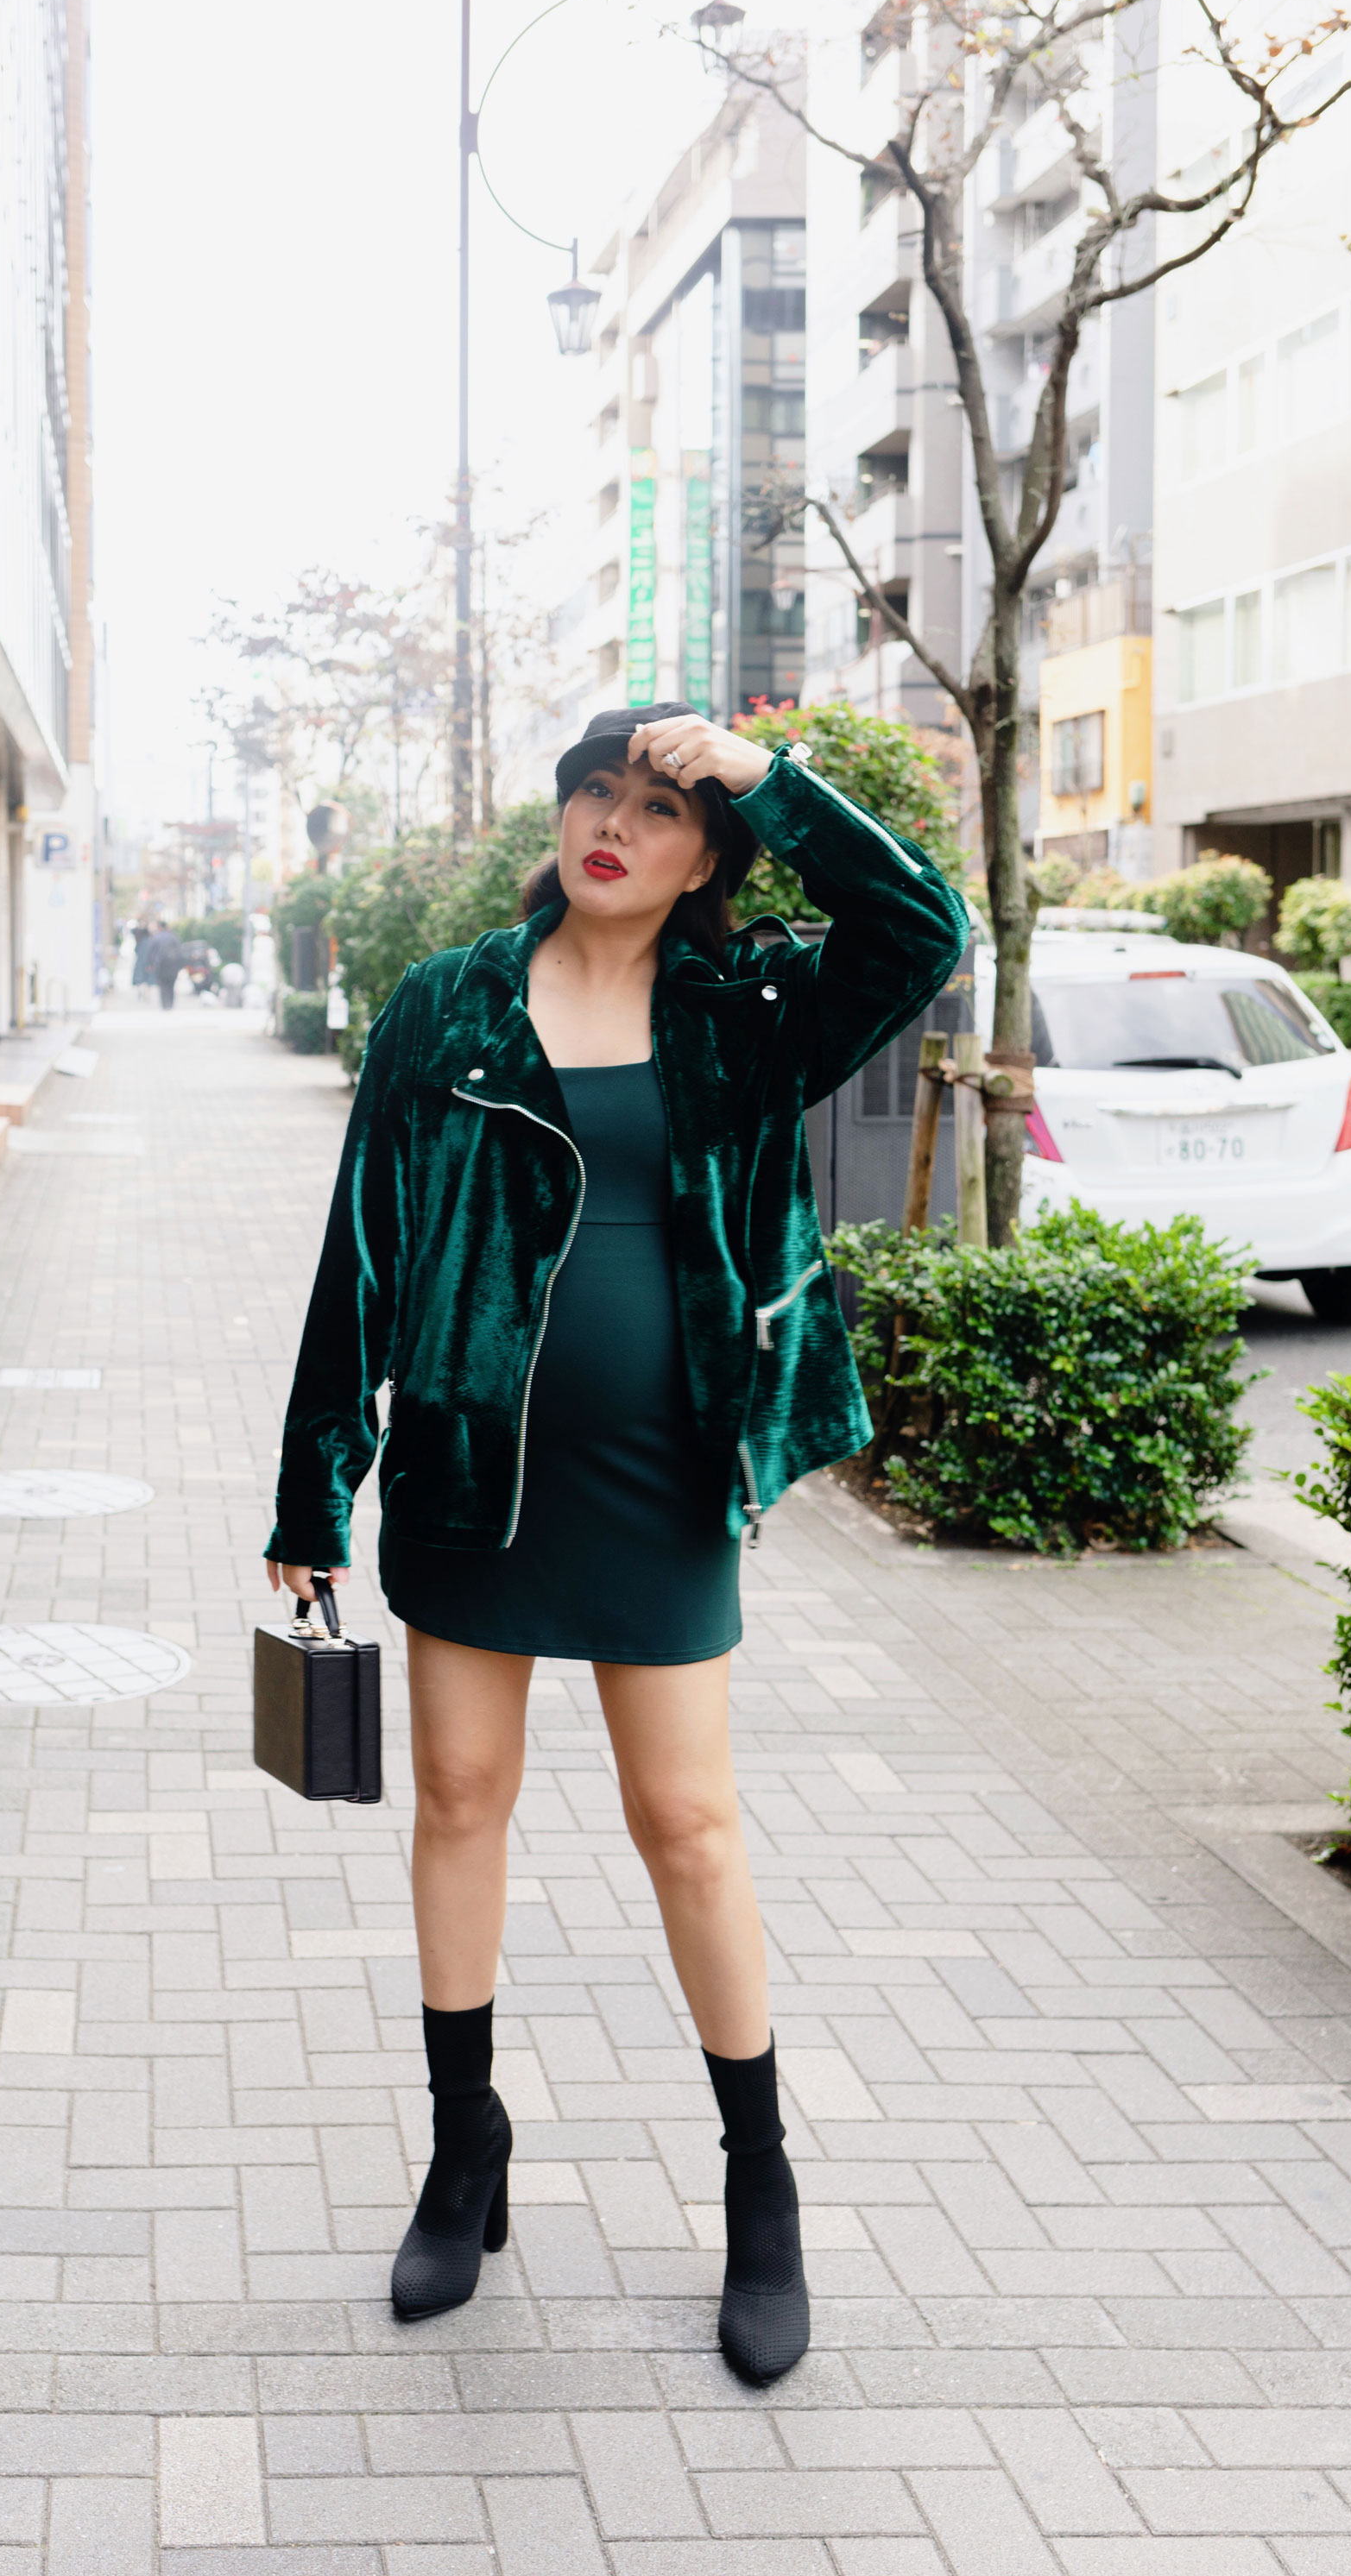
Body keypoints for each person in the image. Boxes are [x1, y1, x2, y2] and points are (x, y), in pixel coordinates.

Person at [266, 704, 968, 2384]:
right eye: (597, 794)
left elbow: (922, 930)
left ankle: (760, 2182)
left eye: (660, 810)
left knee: (689, 1821)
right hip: (466, 1466)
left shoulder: (752, 1004)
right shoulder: (449, 1003)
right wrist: (312, 1491)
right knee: (455, 1798)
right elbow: (361, 1238)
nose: (615, 827)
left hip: (664, 1474)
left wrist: (763, 777)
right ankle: (464, 2149)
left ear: (709, 853)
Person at [148, 925, 185, 1011]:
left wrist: (150, 964)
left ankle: (165, 1004)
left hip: (160, 964)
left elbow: (151, 951)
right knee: (171, 985)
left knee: (162, 985)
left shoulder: (155, 938)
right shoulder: (174, 937)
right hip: (173, 964)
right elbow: (180, 951)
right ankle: (170, 1004)